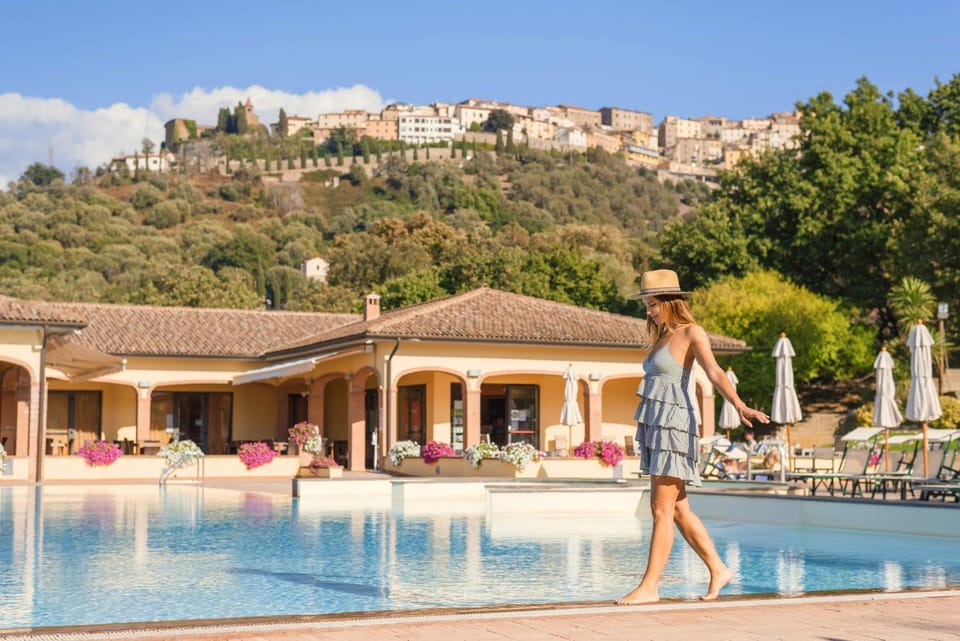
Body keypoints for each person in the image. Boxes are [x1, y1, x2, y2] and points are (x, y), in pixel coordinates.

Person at [617, 269, 769, 605]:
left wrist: (739, 404)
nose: (649, 311)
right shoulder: (661, 338)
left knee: (660, 507)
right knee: (678, 508)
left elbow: (713, 371)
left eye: (653, 304)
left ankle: (650, 587)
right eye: (647, 304)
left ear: (671, 302)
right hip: (658, 425)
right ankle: (718, 568)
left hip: (675, 426)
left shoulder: (691, 332)